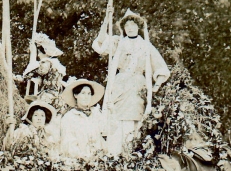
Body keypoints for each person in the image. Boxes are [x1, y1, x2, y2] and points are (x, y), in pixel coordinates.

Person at [92, 8, 170, 154]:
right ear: (124, 28)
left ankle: (132, 154)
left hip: (138, 86)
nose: (130, 28)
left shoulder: (146, 45)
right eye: (127, 26)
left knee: (136, 121)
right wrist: (106, 20)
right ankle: (115, 154)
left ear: (138, 27)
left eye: (133, 25)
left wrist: (156, 85)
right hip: (120, 84)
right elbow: (100, 45)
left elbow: (160, 66)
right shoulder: (118, 42)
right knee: (116, 117)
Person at [59, 79, 106, 159]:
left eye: (89, 94)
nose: (86, 97)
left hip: (98, 160)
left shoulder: (96, 114)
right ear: (75, 95)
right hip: (79, 162)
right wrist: (84, 158)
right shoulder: (69, 117)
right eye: (83, 93)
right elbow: (68, 143)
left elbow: (106, 132)